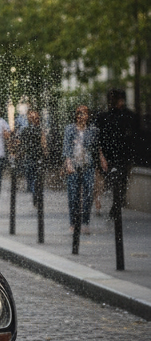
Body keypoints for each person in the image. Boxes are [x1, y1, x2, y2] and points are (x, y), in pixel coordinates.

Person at [96, 89, 140, 221]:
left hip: (124, 156)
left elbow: (135, 136)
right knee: (114, 183)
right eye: (117, 99)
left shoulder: (129, 116)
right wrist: (101, 156)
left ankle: (116, 208)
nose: (120, 102)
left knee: (121, 184)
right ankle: (115, 208)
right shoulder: (104, 117)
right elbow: (99, 138)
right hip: (110, 157)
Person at [62, 104, 99, 235]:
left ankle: (85, 222)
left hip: (88, 165)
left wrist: (101, 161)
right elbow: (66, 147)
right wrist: (68, 163)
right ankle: (73, 222)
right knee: (73, 195)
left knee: (88, 194)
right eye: (79, 113)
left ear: (88, 115)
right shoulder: (70, 129)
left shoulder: (93, 130)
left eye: (84, 113)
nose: (81, 115)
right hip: (74, 166)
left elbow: (95, 148)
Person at [16, 107, 48, 206]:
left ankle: (37, 195)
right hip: (29, 158)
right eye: (32, 118)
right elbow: (21, 144)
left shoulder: (40, 130)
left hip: (38, 158)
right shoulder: (26, 130)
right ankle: (36, 195)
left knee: (37, 179)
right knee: (31, 180)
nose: (34, 119)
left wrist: (45, 153)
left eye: (35, 118)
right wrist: (18, 154)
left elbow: (43, 143)